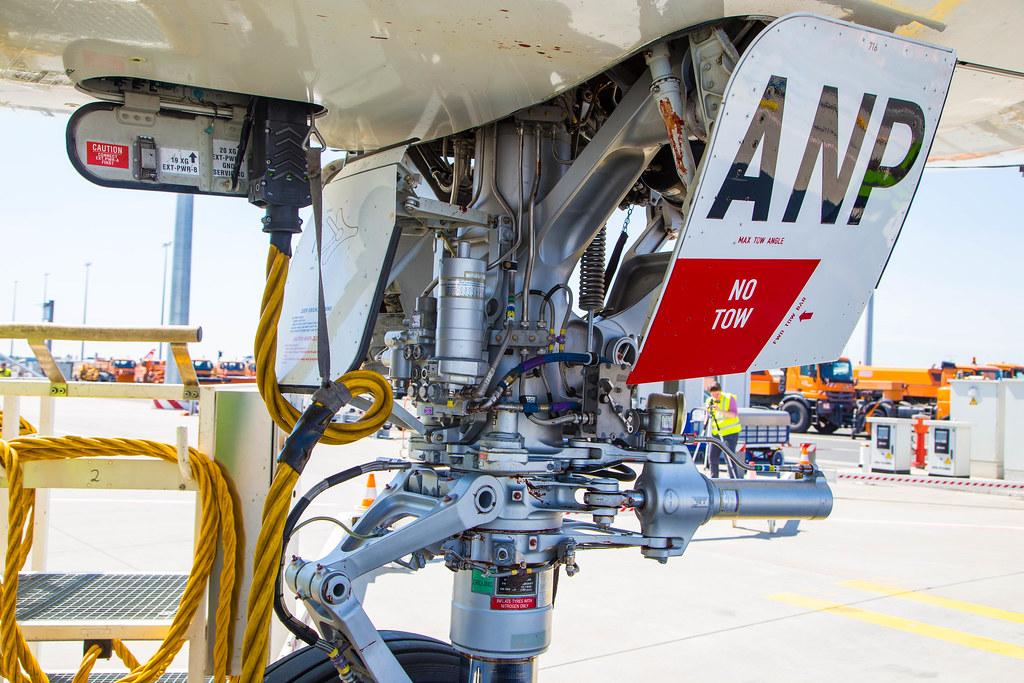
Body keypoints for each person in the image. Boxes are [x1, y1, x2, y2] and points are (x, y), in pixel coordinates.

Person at [705, 381, 743, 478]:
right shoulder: (710, 401)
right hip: (716, 433)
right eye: (713, 394)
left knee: (729, 457)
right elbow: (708, 415)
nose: (715, 396)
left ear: (720, 391)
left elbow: (733, 414)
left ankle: (733, 479)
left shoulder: (729, 398)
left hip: (730, 433)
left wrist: (719, 410)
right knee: (712, 457)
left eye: (717, 394)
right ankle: (714, 479)